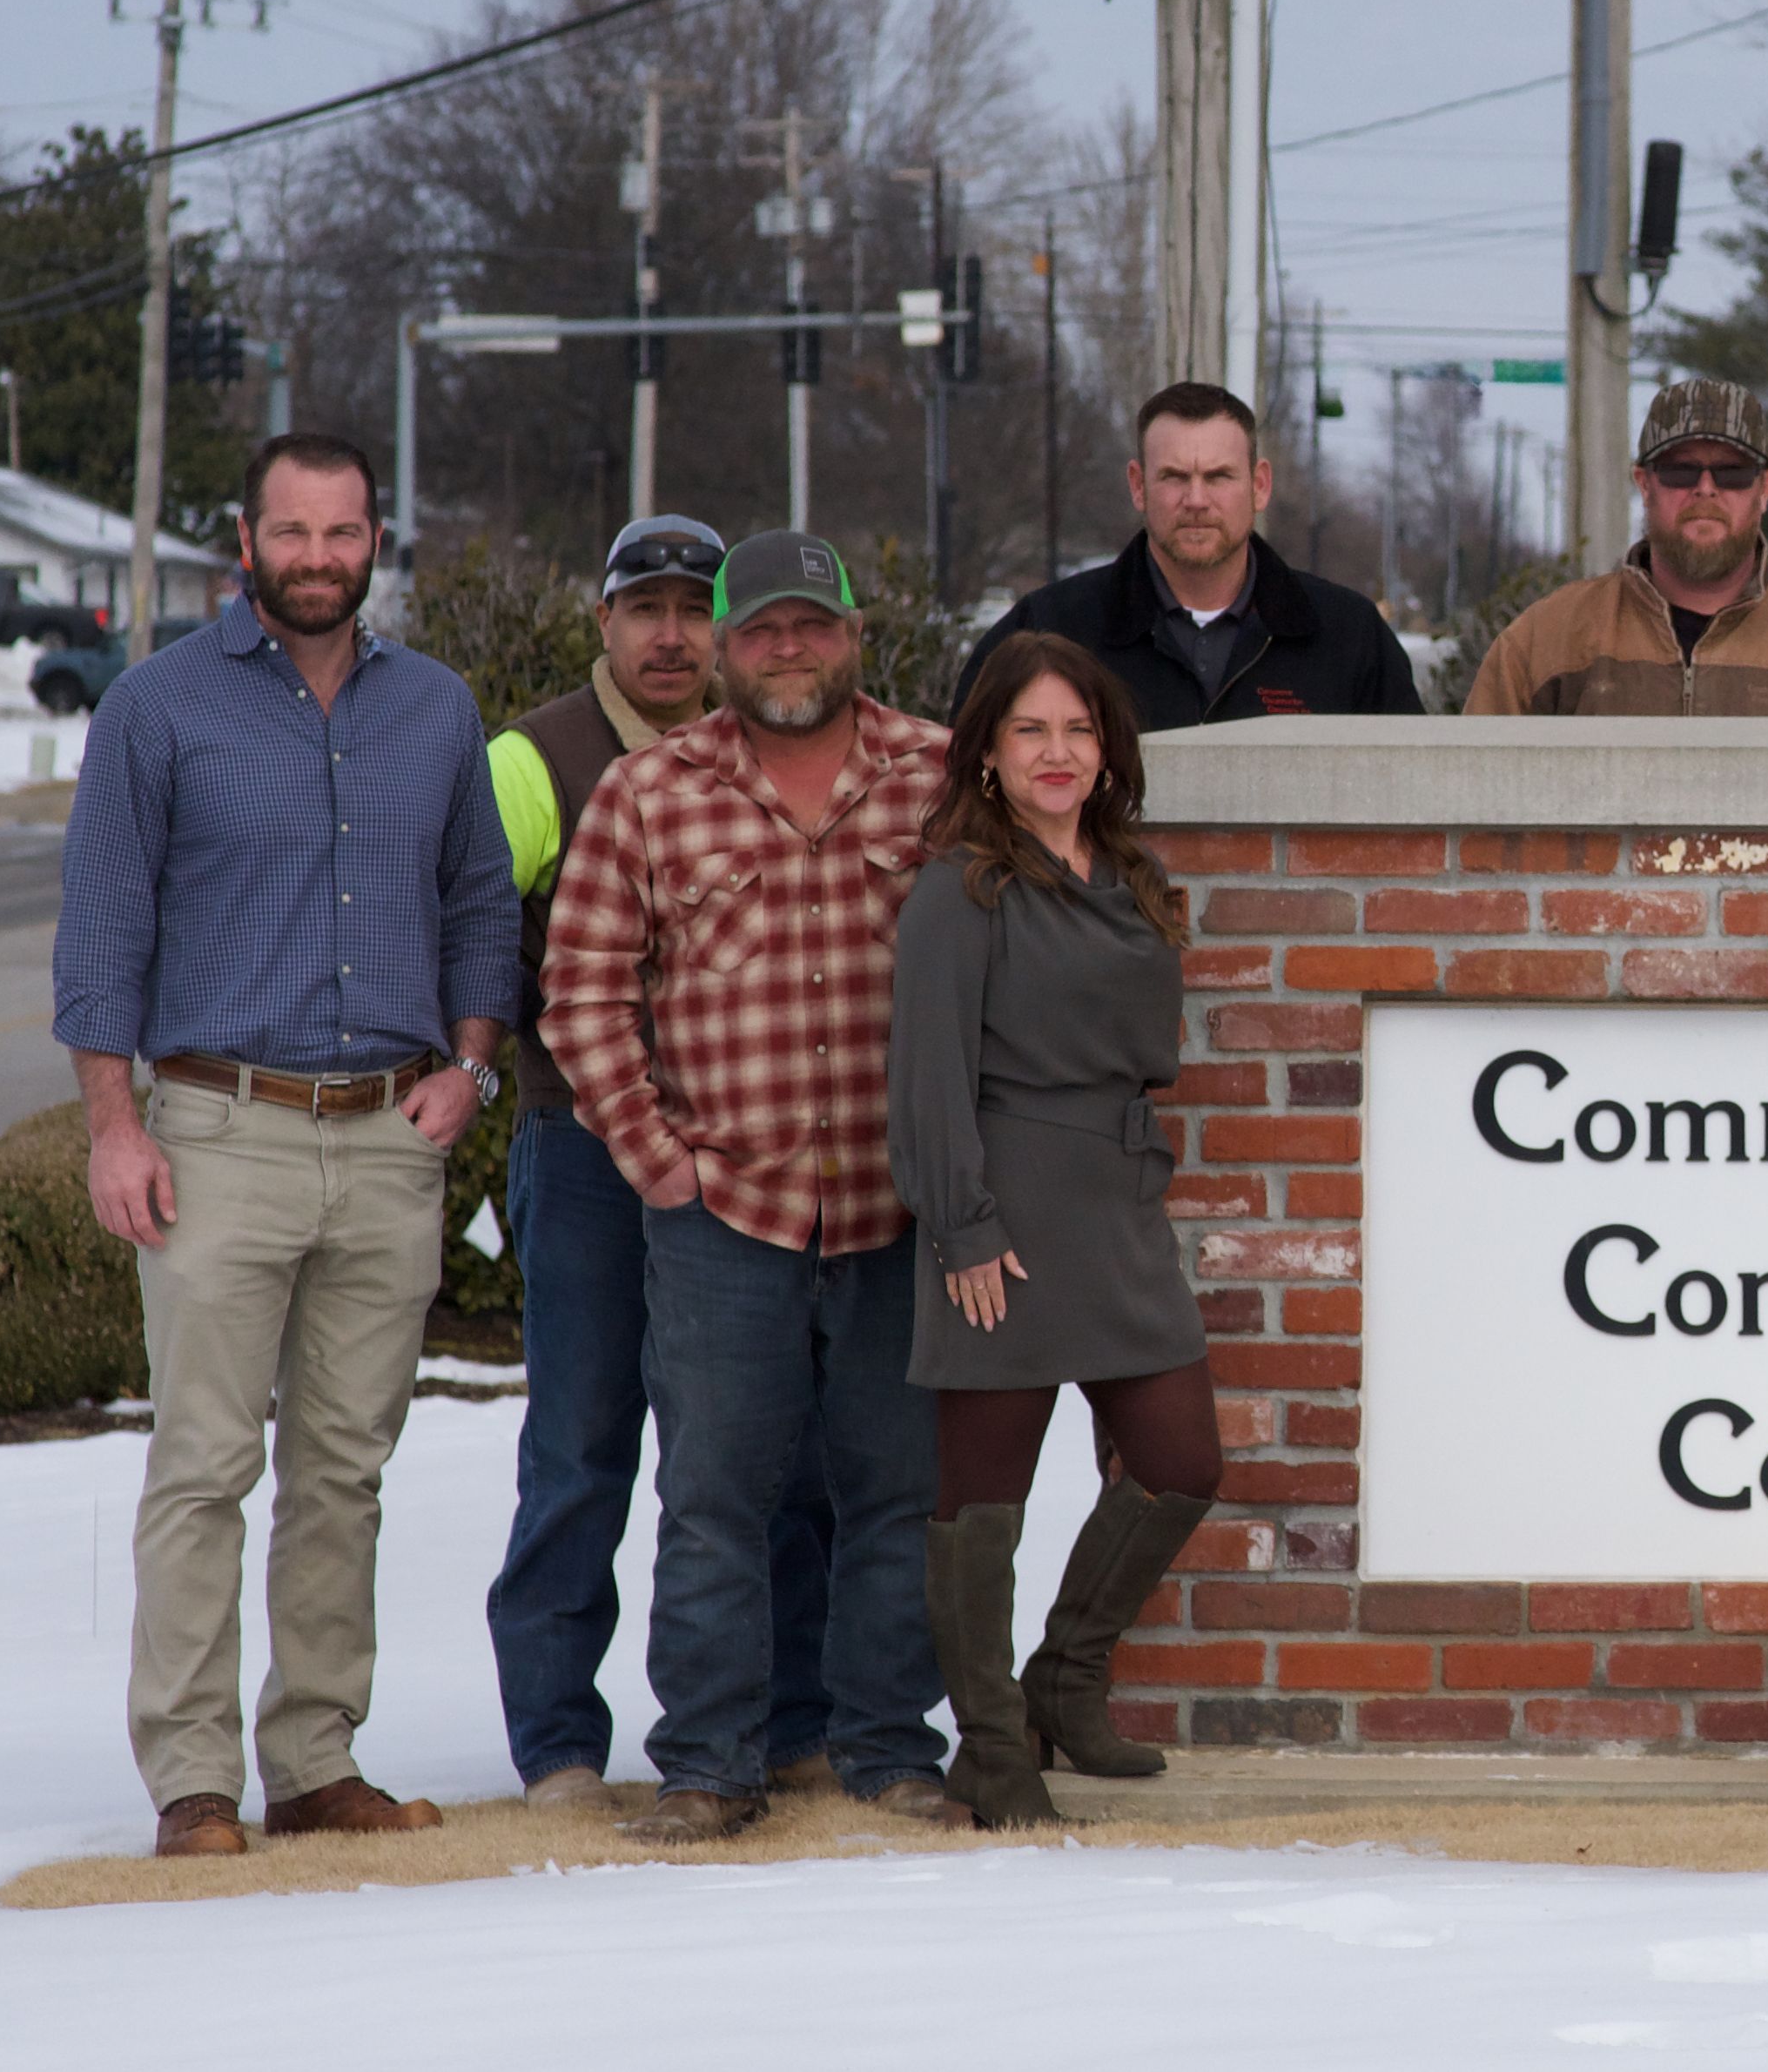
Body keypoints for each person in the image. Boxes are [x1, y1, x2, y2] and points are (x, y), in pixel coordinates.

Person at [53, 431, 517, 1858]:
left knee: (344, 1469)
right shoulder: (156, 709)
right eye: (293, 533)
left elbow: (479, 904)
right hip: (215, 1131)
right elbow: (103, 926)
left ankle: (315, 1759)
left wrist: (470, 1068)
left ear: (378, 538)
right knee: (201, 1464)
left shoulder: (434, 711)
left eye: (344, 532)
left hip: (386, 1138)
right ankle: (194, 1783)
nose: (320, 557)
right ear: (244, 541)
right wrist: (113, 1126)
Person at [541, 529, 961, 1838]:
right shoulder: (649, 793)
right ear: (724, 648)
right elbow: (583, 994)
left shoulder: (939, 775)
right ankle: (710, 1763)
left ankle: (888, 1745)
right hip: (726, 1210)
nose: (789, 649)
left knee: (896, 1492)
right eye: (762, 629)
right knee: (714, 1497)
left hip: (897, 1206)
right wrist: (658, 1161)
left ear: (854, 634)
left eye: (812, 625)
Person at [480, 515, 840, 1812]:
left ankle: (791, 1719)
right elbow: (472, 924)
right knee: (582, 1446)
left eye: (698, 611)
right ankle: (561, 1744)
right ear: (605, 624)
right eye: (649, 610)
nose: (673, 635)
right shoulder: (538, 756)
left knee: (765, 1452)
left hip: (748, 1161)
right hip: (585, 1152)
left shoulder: (770, 749)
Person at [891, 633, 1228, 1828]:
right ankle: (990, 1751)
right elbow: (926, 1073)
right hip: (1005, 1214)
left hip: (1115, 1205)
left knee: (1184, 1460)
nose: (1057, 752)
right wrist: (963, 1224)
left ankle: (1064, 1679)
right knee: (984, 1498)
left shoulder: (1124, 871)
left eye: (1078, 730)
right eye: (1029, 729)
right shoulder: (961, 887)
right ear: (984, 749)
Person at [963, 380, 1423, 730]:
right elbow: (969, 784)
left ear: (1260, 485)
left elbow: (1414, 798)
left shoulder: (1348, 635)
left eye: (1219, 476)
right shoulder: (1052, 629)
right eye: (1175, 477)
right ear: (1138, 486)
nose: (1197, 500)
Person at [1463, 379, 1768, 715]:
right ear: (1644, 482)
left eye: (1732, 472)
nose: (1705, 489)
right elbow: (1471, 799)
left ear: (1766, 487)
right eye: (1681, 471)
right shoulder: (1546, 641)